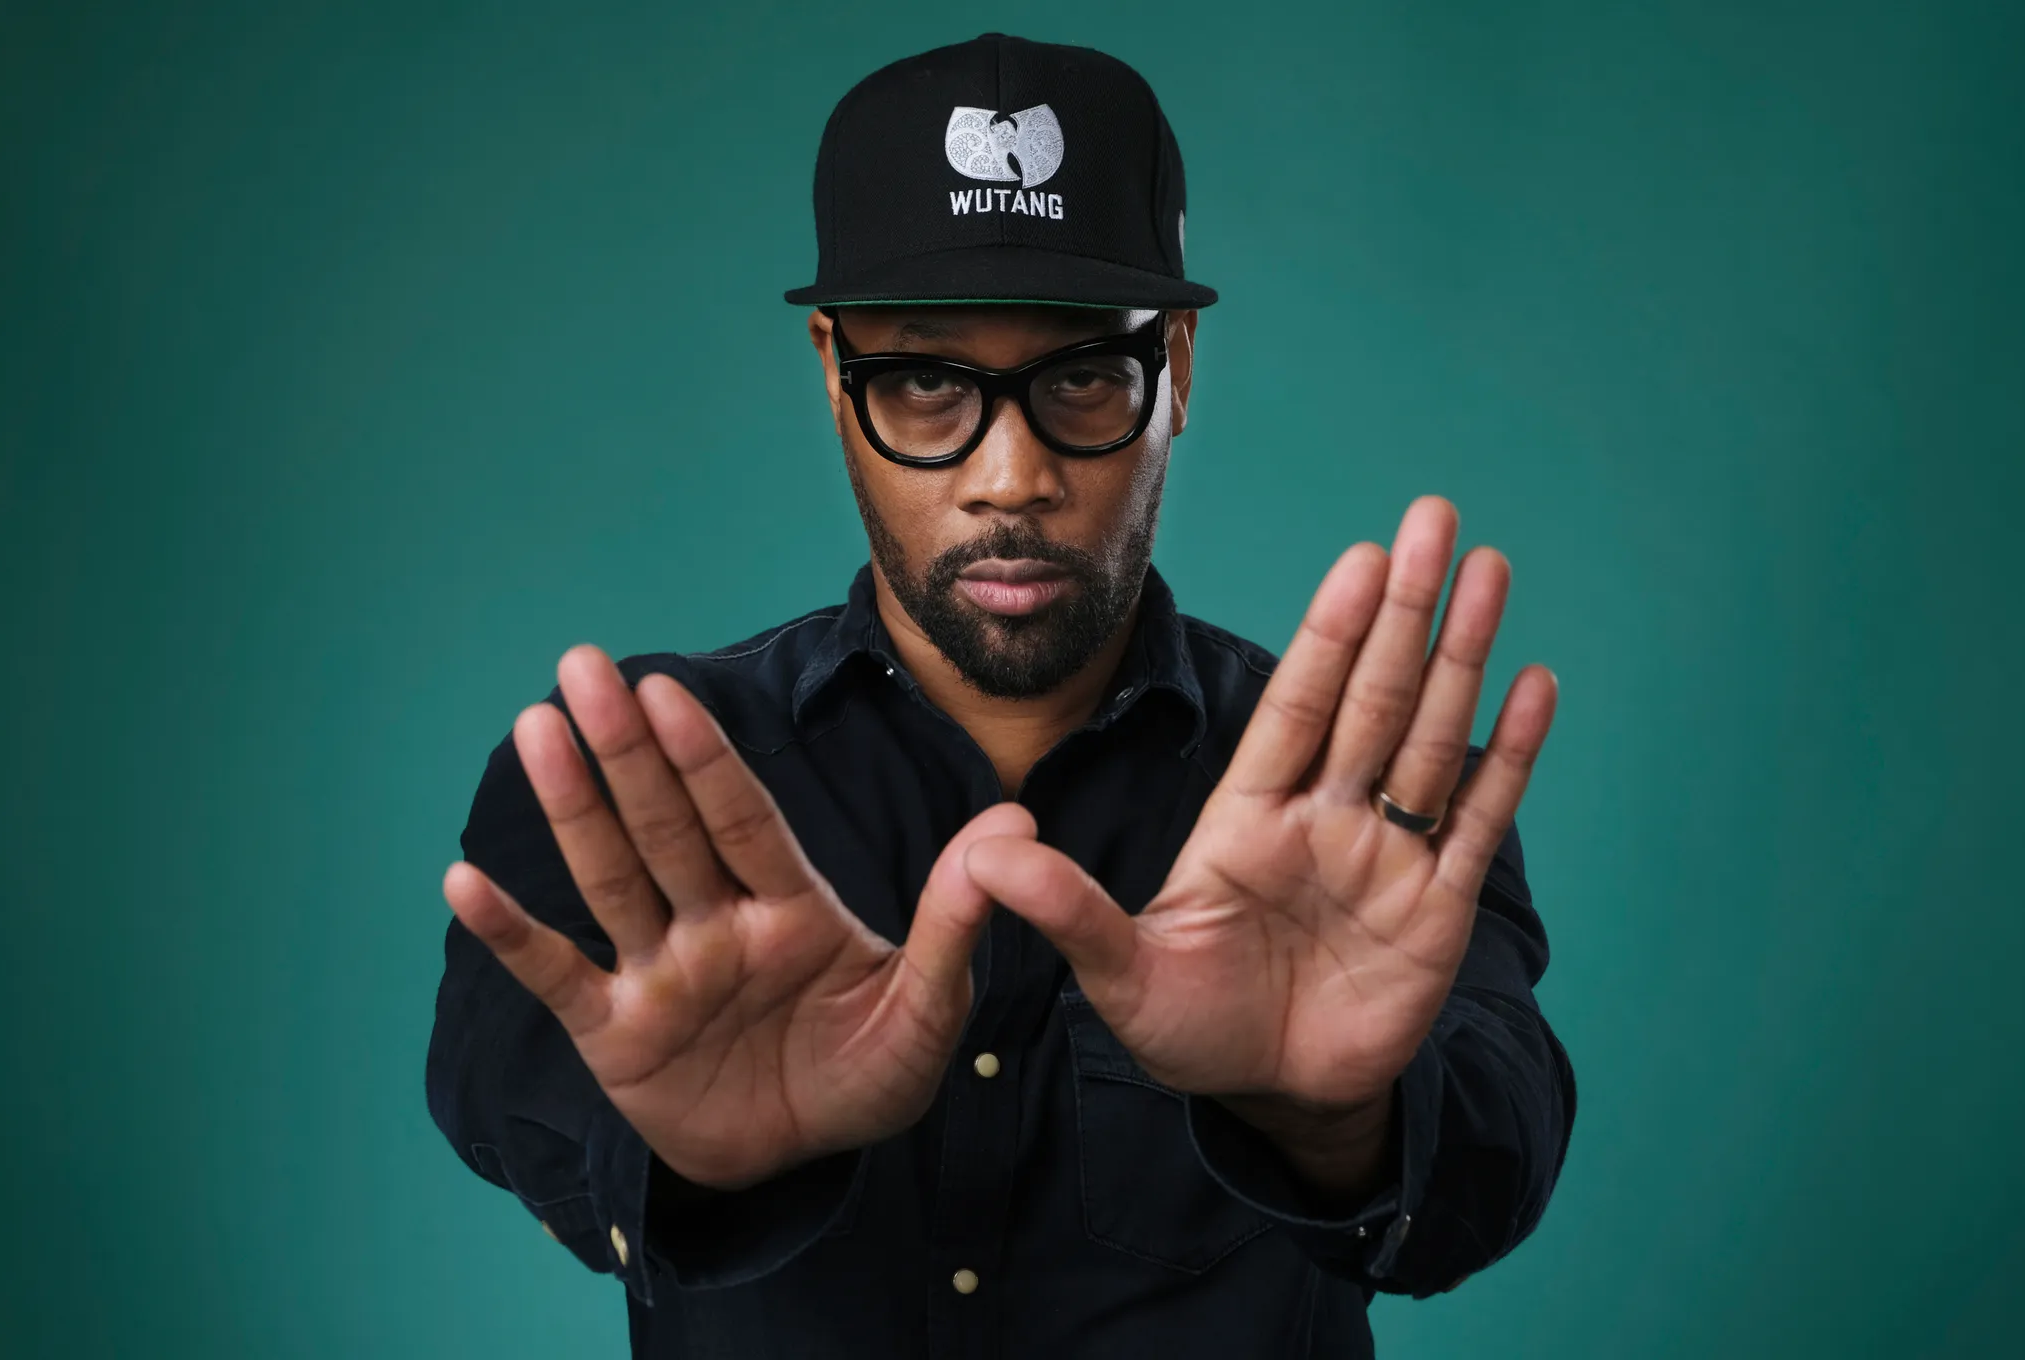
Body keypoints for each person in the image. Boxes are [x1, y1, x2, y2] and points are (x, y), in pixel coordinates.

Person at [424, 32, 1575, 1360]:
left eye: (1083, 377)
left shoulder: (1363, 802)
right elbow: (494, 1071)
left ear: (1178, 372)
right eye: (926, 382)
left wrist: (1332, 1118)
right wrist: (685, 1158)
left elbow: (1494, 1164)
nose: (1010, 476)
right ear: (832, 374)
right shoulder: (645, 775)